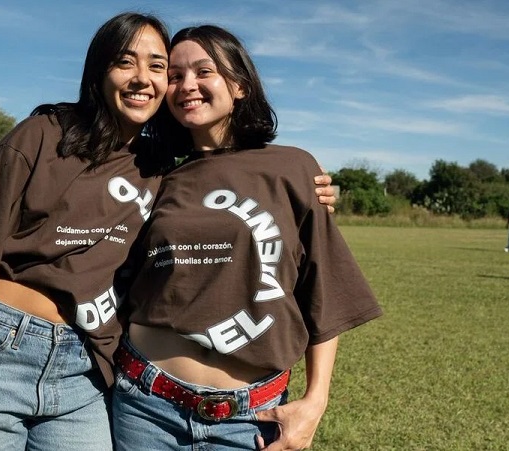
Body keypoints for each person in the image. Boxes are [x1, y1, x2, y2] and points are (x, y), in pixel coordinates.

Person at [0, 13, 337, 451]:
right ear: (99, 71)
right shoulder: (46, 136)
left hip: (85, 367)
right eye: (126, 62)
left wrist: (309, 187)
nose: (146, 78)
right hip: (1, 350)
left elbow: (311, 273)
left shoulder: (161, 167)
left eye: (159, 66)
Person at [111, 25, 382, 450]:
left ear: (239, 85)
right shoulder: (154, 174)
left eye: (204, 71)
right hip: (145, 406)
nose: (187, 85)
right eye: (176, 76)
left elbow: (323, 291)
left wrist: (316, 401)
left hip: (250, 417)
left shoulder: (293, 168)